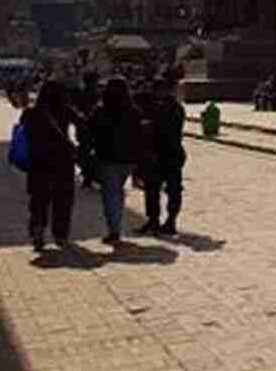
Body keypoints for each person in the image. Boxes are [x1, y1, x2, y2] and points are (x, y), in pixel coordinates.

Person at [21, 80, 78, 250]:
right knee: (63, 199)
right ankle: (61, 235)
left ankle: (38, 233)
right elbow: (83, 122)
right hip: (63, 160)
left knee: (39, 199)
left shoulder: (32, 112)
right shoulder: (66, 110)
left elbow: (24, 128)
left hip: (39, 161)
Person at [89, 77, 143, 244]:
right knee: (117, 192)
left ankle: (114, 230)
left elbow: (90, 130)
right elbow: (139, 134)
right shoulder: (133, 111)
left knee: (111, 195)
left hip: (108, 158)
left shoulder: (101, 110)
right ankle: (116, 226)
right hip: (129, 159)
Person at [138, 79, 186, 236]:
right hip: (158, 154)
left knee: (172, 190)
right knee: (152, 189)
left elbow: (166, 129)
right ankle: (154, 220)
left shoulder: (172, 108)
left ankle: (170, 221)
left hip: (167, 153)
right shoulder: (153, 107)